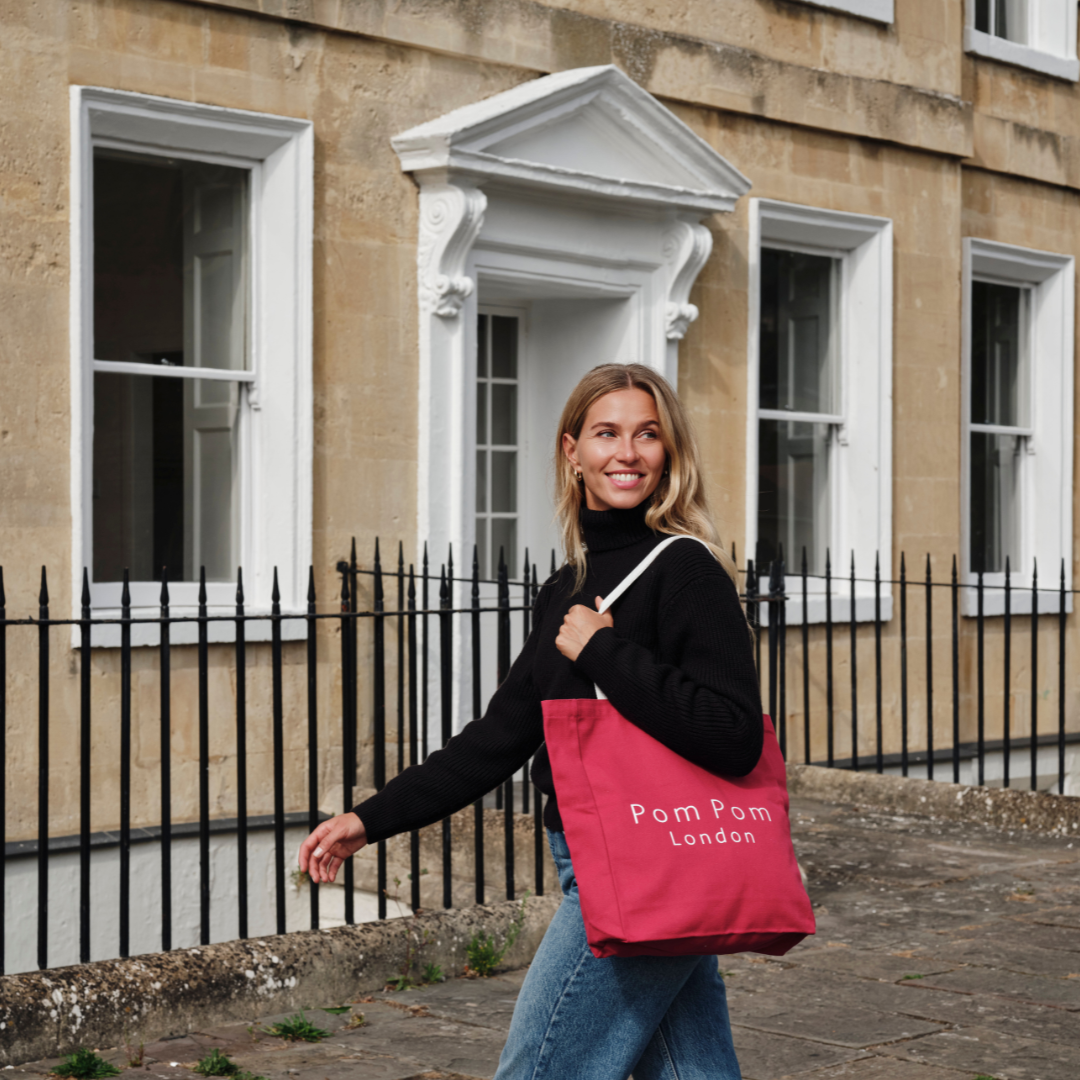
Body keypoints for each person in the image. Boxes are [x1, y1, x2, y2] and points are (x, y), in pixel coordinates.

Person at [299, 363, 763, 1079]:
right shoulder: (567, 587)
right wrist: (368, 820)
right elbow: (499, 738)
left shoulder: (687, 570)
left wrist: (606, 652)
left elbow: (733, 735)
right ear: (571, 451)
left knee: (538, 1070)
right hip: (605, 855)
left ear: (670, 452)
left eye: (647, 435)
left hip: (642, 860)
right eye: (607, 433)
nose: (627, 453)